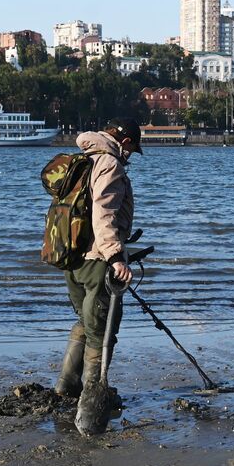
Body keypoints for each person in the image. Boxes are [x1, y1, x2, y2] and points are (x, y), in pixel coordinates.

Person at [54, 118, 141, 424]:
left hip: (71, 259)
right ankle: (94, 395)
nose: (130, 157)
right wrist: (116, 256)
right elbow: (104, 214)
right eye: (132, 149)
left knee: (84, 320)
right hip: (97, 261)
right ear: (126, 142)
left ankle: (66, 385)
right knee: (102, 329)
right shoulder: (109, 164)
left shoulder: (81, 159)